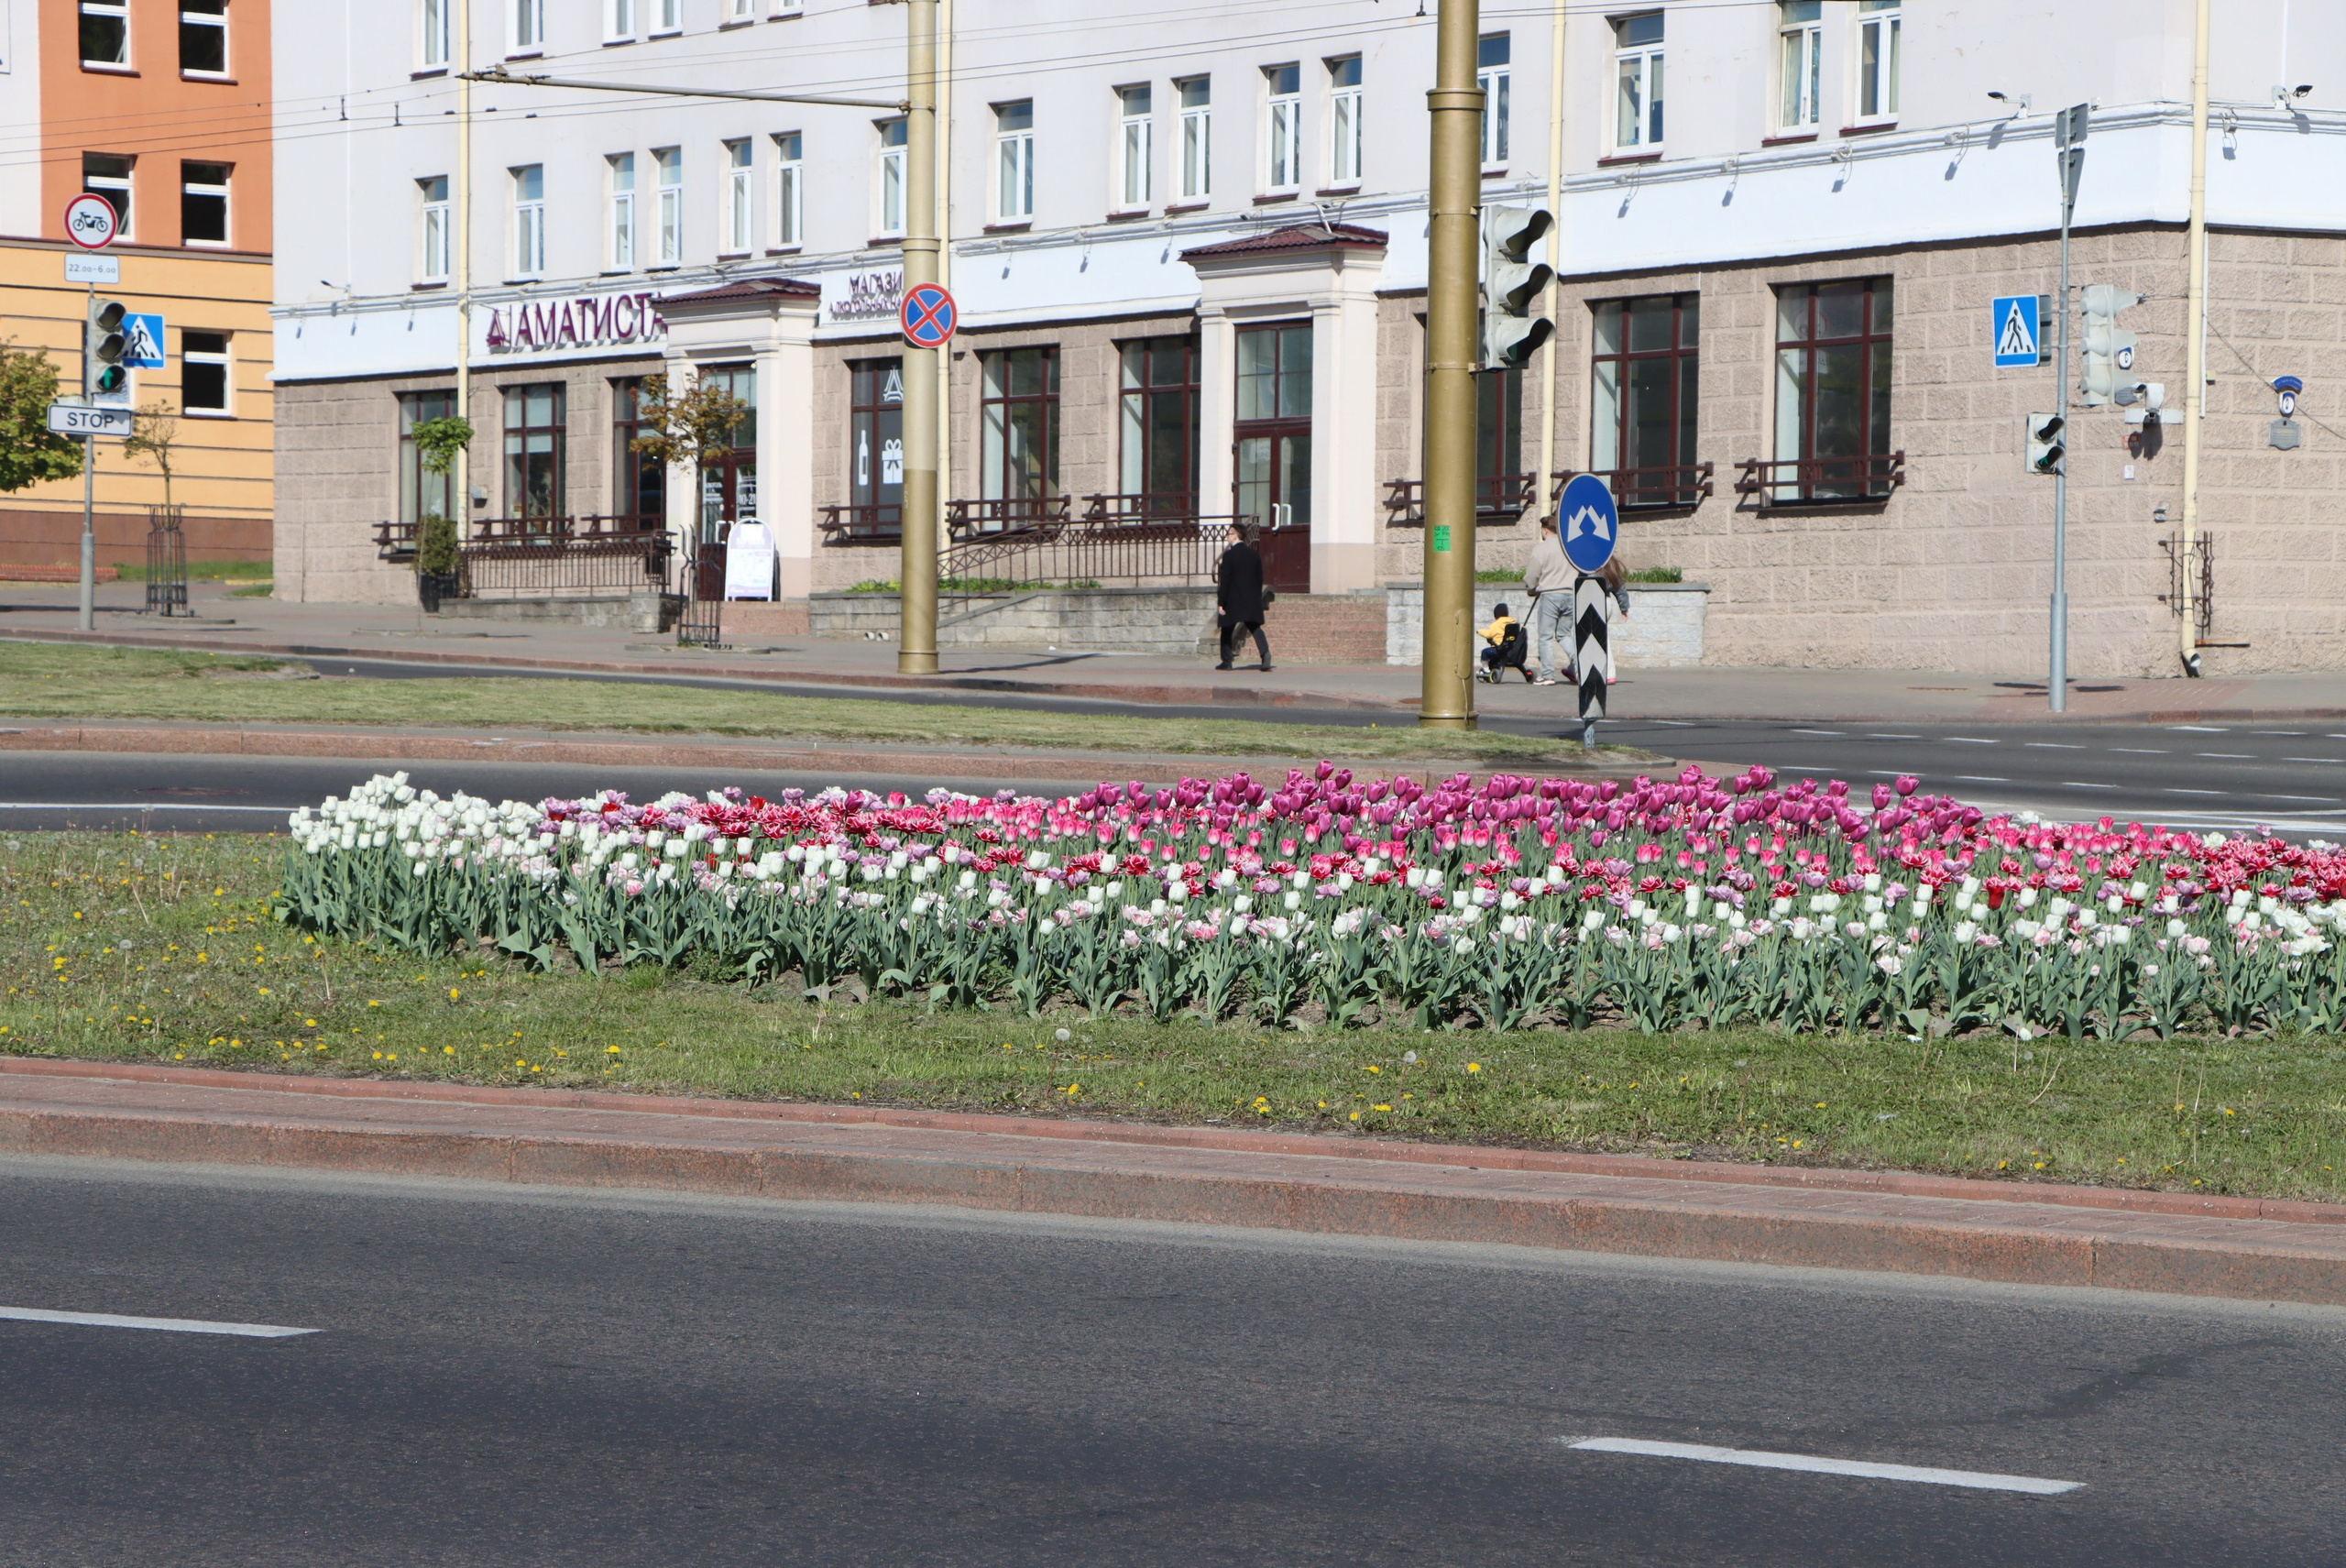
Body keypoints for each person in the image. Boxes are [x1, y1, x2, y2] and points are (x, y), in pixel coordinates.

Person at [1520, 512, 1573, 686]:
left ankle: (1548, 675)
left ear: (1545, 530)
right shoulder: (1569, 546)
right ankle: (1581, 667)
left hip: (1550, 595)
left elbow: (1533, 574)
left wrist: (1531, 587)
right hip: (1571, 594)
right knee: (1564, 634)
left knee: (1545, 636)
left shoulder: (1541, 549)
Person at [1215, 522, 1272, 672]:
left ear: (1235, 535)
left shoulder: (1229, 555)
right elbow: (1259, 577)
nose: (1227, 536)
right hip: (1250, 598)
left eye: (1229, 533)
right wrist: (1255, 596)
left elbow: (1225, 580)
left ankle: (1227, 661)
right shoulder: (1253, 554)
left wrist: (1221, 602)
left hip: (1233, 598)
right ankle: (1265, 654)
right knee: (1254, 627)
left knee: (1227, 627)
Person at [1478, 602, 1533, 683]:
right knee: (1516, 662)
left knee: (1485, 652)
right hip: (1512, 650)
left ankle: (1486, 669)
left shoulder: (1496, 624)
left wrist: (1479, 631)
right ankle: (1527, 674)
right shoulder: (1513, 624)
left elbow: (1489, 634)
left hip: (1500, 650)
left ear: (1496, 614)